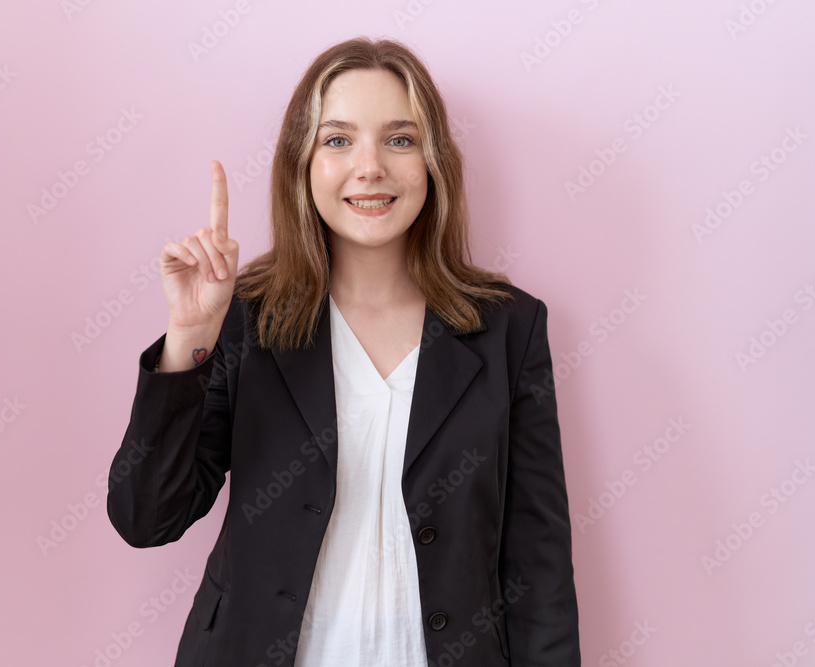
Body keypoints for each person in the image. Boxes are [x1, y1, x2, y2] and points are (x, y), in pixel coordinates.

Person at [106, 36, 580, 666]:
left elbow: (538, 560)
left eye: (400, 139)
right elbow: (146, 518)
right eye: (337, 139)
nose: (370, 167)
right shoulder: (246, 319)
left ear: (433, 161)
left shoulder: (509, 327)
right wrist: (191, 338)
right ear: (301, 164)